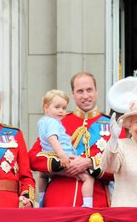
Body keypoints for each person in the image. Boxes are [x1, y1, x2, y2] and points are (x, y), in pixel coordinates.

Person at [29, 71, 122, 207]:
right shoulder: (59, 121)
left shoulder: (112, 125)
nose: (85, 96)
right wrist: (61, 166)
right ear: (73, 94)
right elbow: (33, 157)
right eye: (80, 91)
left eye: (89, 90)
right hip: (58, 200)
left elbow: (121, 168)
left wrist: (90, 163)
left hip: (96, 203)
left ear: (96, 91)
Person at [36, 90, 94, 207]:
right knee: (88, 179)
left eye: (64, 108)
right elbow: (53, 139)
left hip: (49, 158)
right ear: (46, 107)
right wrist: (62, 155)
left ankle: (42, 196)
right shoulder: (53, 123)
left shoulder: (42, 121)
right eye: (57, 107)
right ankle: (88, 204)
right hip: (64, 158)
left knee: (42, 175)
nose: (61, 111)